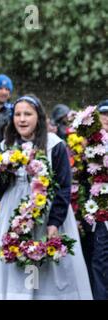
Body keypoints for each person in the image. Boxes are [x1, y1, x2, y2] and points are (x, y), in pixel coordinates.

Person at [0, 94, 93, 300]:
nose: (22, 119)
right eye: (18, 114)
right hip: (14, 213)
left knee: (43, 267)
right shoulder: (5, 147)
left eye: (28, 114)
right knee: (18, 264)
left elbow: (64, 186)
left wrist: (54, 222)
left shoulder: (54, 145)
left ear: (39, 117)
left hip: (45, 214)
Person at [90, 99, 108, 300]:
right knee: (99, 259)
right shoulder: (88, 142)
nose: (107, 119)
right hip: (96, 212)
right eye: (104, 115)